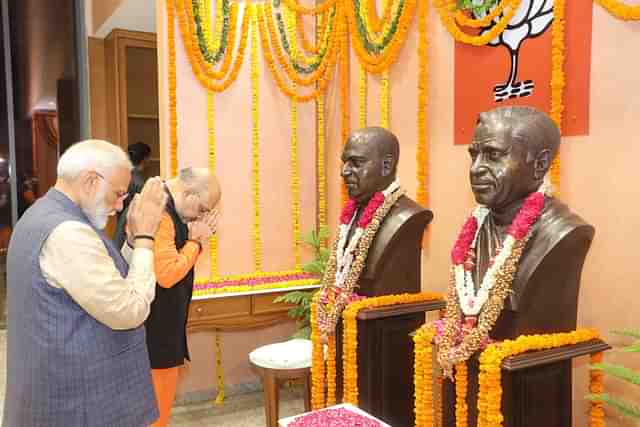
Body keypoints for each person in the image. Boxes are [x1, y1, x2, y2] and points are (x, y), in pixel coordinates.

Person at [3, 139, 167, 426]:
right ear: (91, 180)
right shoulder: (68, 231)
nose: (119, 206)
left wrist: (131, 241)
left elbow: (109, 279)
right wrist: (146, 238)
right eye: (118, 194)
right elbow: (128, 310)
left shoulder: (47, 215)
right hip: (80, 402)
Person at [316, 127, 433, 339]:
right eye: (345, 162)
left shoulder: (408, 216)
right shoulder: (354, 212)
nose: (345, 171)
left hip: (384, 333)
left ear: (386, 166)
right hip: (352, 328)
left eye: (356, 163)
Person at [145, 167, 220, 427]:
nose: (204, 215)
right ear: (189, 193)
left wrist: (192, 238)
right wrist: (196, 242)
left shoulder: (167, 210)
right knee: (155, 409)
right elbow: (166, 274)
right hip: (153, 330)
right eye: (203, 208)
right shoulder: (161, 215)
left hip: (158, 326)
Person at [114, 141, 152, 249]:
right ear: (145, 159)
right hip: (131, 226)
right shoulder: (139, 182)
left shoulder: (123, 176)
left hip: (121, 223)